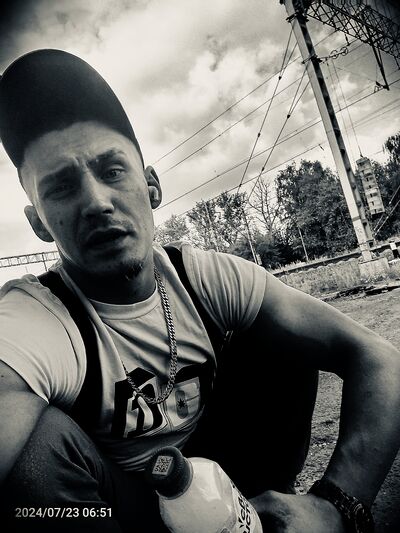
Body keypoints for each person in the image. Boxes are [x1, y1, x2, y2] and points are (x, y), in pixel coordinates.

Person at [0, 49, 399, 533]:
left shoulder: (204, 278)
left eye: (112, 170)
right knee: (38, 449)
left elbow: (379, 356)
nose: (97, 202)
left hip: (229, 490)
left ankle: (274, 517)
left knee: (281, 335)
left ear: (151, 186)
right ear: (39, 223)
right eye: (61, 187)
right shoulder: (36, 317)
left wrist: (338, 506)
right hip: (122, 513)